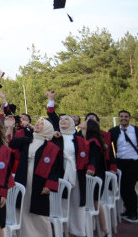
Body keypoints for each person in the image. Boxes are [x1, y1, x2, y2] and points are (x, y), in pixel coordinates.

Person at [45, 90, 89, 236]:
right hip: (60, 174)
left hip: (76, 174)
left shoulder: (79, 140)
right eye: (61, 120)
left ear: (72, 123)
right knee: (61, 204)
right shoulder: (56, 136)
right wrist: (51, 100)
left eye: (66, 120)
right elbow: (51, 115)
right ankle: (61, 231)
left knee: (77, 204)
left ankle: (77, 231)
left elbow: (86, 156)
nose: (62, 121)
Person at [9, 116, 62, 236]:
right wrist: (10, 126)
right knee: (23, 206)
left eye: (41, 124)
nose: (38, 124)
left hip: (39, 181)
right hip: (23, 177)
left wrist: (49, 185)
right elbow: (11, 143)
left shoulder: (51, 147)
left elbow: (55, 169)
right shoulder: (27, 140)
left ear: (48, 128)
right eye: (37, 123)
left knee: (39, 210)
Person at [109, 109, 138, 223]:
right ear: (119, 118)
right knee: (121, 188)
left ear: (129, 118)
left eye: (126, 116)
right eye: (121, 116)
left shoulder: (137, 131)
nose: (123, 118)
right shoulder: (114, 131)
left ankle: (133, 213)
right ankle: (128, 210)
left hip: (134, 163)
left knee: (129, 188)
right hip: (120, 163)